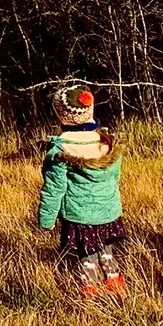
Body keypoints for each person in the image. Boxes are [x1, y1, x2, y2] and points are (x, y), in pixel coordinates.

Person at [34, 82, 126, 299]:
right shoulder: (107, 143)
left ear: (61, 115)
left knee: (87, 256)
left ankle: (91, 296)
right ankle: (116, 287)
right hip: (108, 212)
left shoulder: (61, 149)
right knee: (106, 250)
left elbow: (54, 188)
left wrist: (46, 220)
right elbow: (115, 179)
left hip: (80, 215)